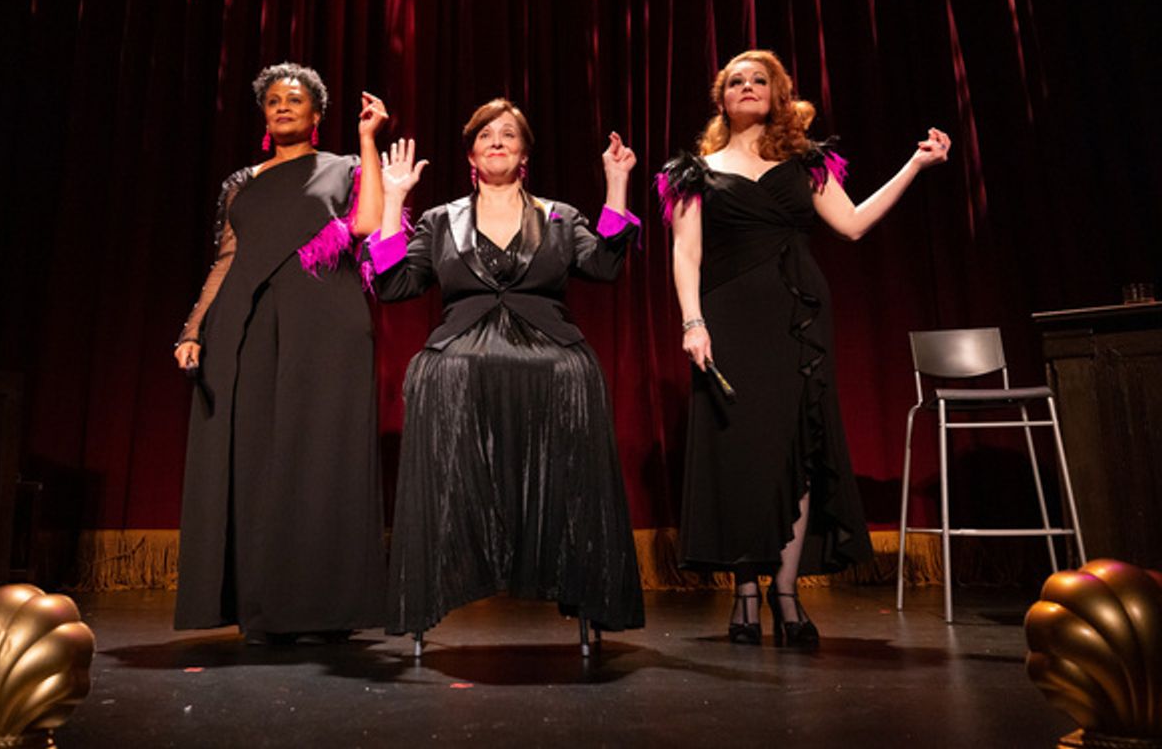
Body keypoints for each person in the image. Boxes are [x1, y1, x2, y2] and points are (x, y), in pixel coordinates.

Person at [659, 49, 950, 647]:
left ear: (777, 93)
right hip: (729, 319)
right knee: (739, 452)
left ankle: (785, 593)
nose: (746, 86)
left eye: (758, 79)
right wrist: (693, 322)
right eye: (735, 80)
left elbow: (853, 224)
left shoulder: (807, 164)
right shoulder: (695, 171)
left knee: (797, 446)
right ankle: (744, 597)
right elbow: (685, 253)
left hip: (798, 320)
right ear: (722, 99)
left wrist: (914, 166)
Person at [368, 98, 645, 650]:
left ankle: (576, 582)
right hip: (460, 349)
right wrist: (394, 198)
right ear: (471, 151)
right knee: (440, 373)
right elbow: (393, 283)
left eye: (509, 135)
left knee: (573, 373)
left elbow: (605, 266)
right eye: (486, 135)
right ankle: (446, 578)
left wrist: (617, 185)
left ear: (524, 154)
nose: (497, 141)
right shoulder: (440, 220)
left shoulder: (560, 216)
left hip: (550, 347)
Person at [172, 62, 389, 643]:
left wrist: (368, 139)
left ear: (317, 115)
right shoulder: (243, 183)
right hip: (251, 321)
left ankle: (326, 608)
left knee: (318, 456)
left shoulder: (342, 166)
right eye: (273, 100)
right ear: (265, 116)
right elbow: (226, 259)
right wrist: (193, 330)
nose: (283, 106)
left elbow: (368, 222)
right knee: (258, 460)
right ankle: (262, 608)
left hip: (326, 323)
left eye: (295, 99)